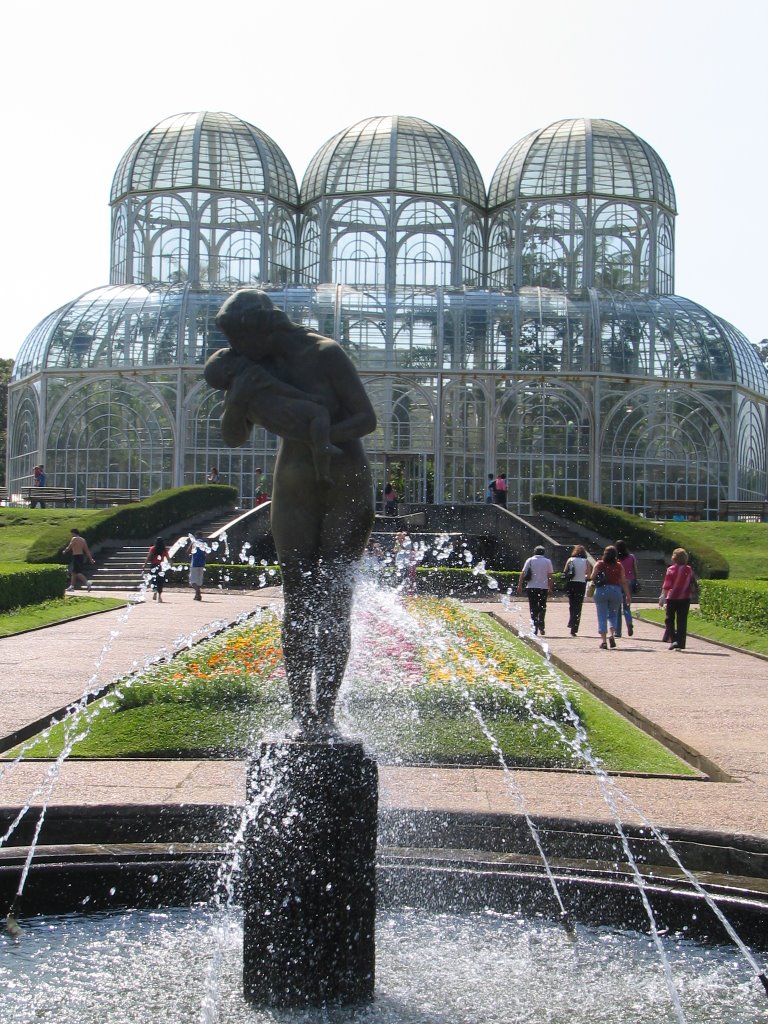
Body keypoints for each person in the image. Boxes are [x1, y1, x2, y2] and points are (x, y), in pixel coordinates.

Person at [209, 288, 376, 736]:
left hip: (345, 483)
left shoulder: (326, 354)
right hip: (292, 487)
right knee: (297, 599)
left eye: (241, 340)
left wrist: (320, 438)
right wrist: (237, 398)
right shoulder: (251, 368)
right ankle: (302, 714)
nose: (238, 350)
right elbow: (232, 437)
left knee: (336, 602)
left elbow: (366, 419)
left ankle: (326, 714)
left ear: (263, 328)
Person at [204, 346, 344, 485]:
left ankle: (322, 474)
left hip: (277, 425)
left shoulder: (231, 397)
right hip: (285, 409)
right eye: (230, 353)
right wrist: (308, 397)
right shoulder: (252, 374)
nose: (236, 350)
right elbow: (281, 388)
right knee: (319, 414)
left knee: (310, 441)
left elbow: (231, 438)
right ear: (228, 369)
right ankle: (323, 452)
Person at [589, 545, 631, 649]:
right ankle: (611, 635)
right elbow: (623, 581)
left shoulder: (599, 564)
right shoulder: (619, 566)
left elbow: (592, 577)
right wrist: (628, 595)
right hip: (616, 591)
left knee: (601, 615)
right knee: (613, 615)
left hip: (601, 590)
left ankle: (603, 641)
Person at [660, 547, 696, 651]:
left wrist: (662, 596)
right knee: (682, 620)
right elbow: (692, 584)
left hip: (672, 597)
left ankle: (674, 640)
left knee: (669, 620)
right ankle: (681, 642)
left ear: (674, 558)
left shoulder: (671, 569)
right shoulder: (689, 569)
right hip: (685, 598)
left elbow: (667, 585)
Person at [517, 544, 554, 636]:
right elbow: (550, 576)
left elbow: (523, 573)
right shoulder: (547, 561)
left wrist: (520, 585)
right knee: (542, 607)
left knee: (533, 607)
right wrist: (550, 587)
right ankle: (541, 624)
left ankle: (534, 627)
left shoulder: (529, 560)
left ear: (535, 552)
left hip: (531, 586)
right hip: (543, 587)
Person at [562, 544, 589, 636]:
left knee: (572, 604)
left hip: (571, 583)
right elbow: (588, 575)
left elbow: (565, 572)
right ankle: (574, 627)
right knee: (578, 606)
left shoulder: (570, 560)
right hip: (581, 584)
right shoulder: (586, 561)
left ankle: (571, 620)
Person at [615, 539, 640, 637]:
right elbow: (635, 569)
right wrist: (636, 579)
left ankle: (618, 631)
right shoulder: (631, 557)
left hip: (618, 582)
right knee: (627, 606)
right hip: (630, 581)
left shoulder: (616, 558)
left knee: (617, 607)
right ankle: (629, 622)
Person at [144, 537, 171, 602]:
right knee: (160, 581)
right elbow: (168, 558)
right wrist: (172, 565)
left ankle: (155, 591)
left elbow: (148, 557)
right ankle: (160, 597)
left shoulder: (153, 548)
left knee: (153, 580)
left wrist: (144, 565)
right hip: (160, 567)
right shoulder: (164, 549)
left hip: (153, 566)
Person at [187, 536, 207, 601]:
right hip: (202, 564)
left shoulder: (194, 542)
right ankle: (197, 596)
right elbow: (207, 553)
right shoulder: (204, 543)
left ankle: (198, 592)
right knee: (198, 582)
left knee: (192, 581)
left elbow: (188, 551)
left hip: (194, 564)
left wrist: (191, 554)